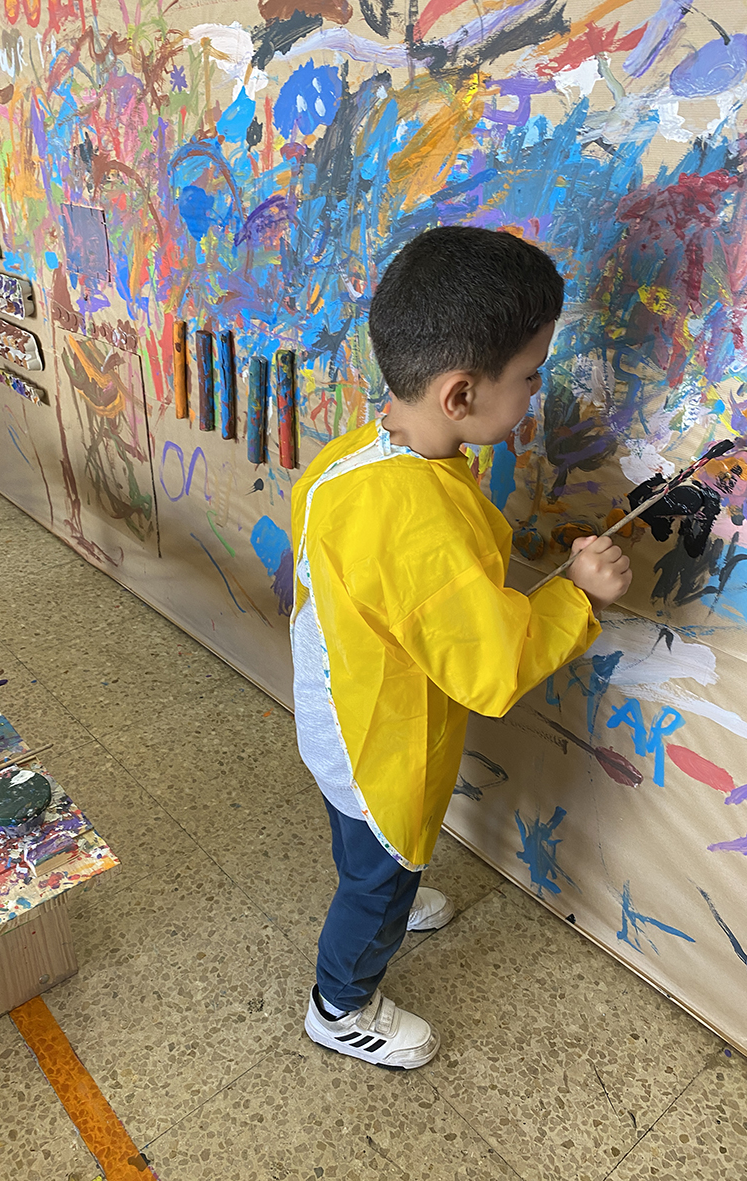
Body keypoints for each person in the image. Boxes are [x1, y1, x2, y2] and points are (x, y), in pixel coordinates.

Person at [290, 226, 632, 1070]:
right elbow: (489, 671)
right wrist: (577, 594)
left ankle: (387, 902)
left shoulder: (358, 457)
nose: (536, 389)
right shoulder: (420, 520)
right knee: (380, 871)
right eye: (529, 375)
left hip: (333, 713)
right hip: (377, 746)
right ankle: (339, 1003)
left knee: (360, 841)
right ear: (459, 394)